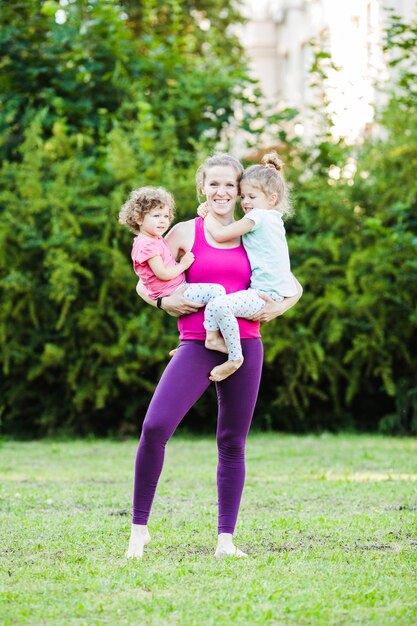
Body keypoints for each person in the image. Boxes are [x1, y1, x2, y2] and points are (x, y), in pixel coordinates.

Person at [126, 154, 303, 559]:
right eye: (214, 184)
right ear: (202, 188)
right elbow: (143, 281)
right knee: (155, 427)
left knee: (231, 441)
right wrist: (161, 302)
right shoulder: (186, 232)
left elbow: (292, 285)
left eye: (230, 185)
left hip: (246, 342)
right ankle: (139, 529)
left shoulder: (256, 230)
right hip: (195, 344)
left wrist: (276, 308)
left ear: (242, 191)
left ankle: (226, 540)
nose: (222, 192)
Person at [197, 152, 298, 383]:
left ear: (271, 199)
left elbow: (221, 234)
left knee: (220, 305)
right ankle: (210, 341)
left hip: (262, 296)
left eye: (252, 196)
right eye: (243, 196)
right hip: (266, 293)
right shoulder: (273, 220)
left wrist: (206, 213)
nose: (245, 202)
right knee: (216, 302)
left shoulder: (259, 217)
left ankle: (234, 357)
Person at [118, 186, 228, 353]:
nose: (163, 221)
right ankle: (211, 339)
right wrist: (183, 264)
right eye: (156, 216)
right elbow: (162, 273)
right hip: (175, 292)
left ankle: (186, 345)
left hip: (176, 289)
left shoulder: (154, 239)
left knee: (209, 306)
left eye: (166, 216)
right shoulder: (146, 245)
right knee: (217, 292)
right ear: (139, 219)